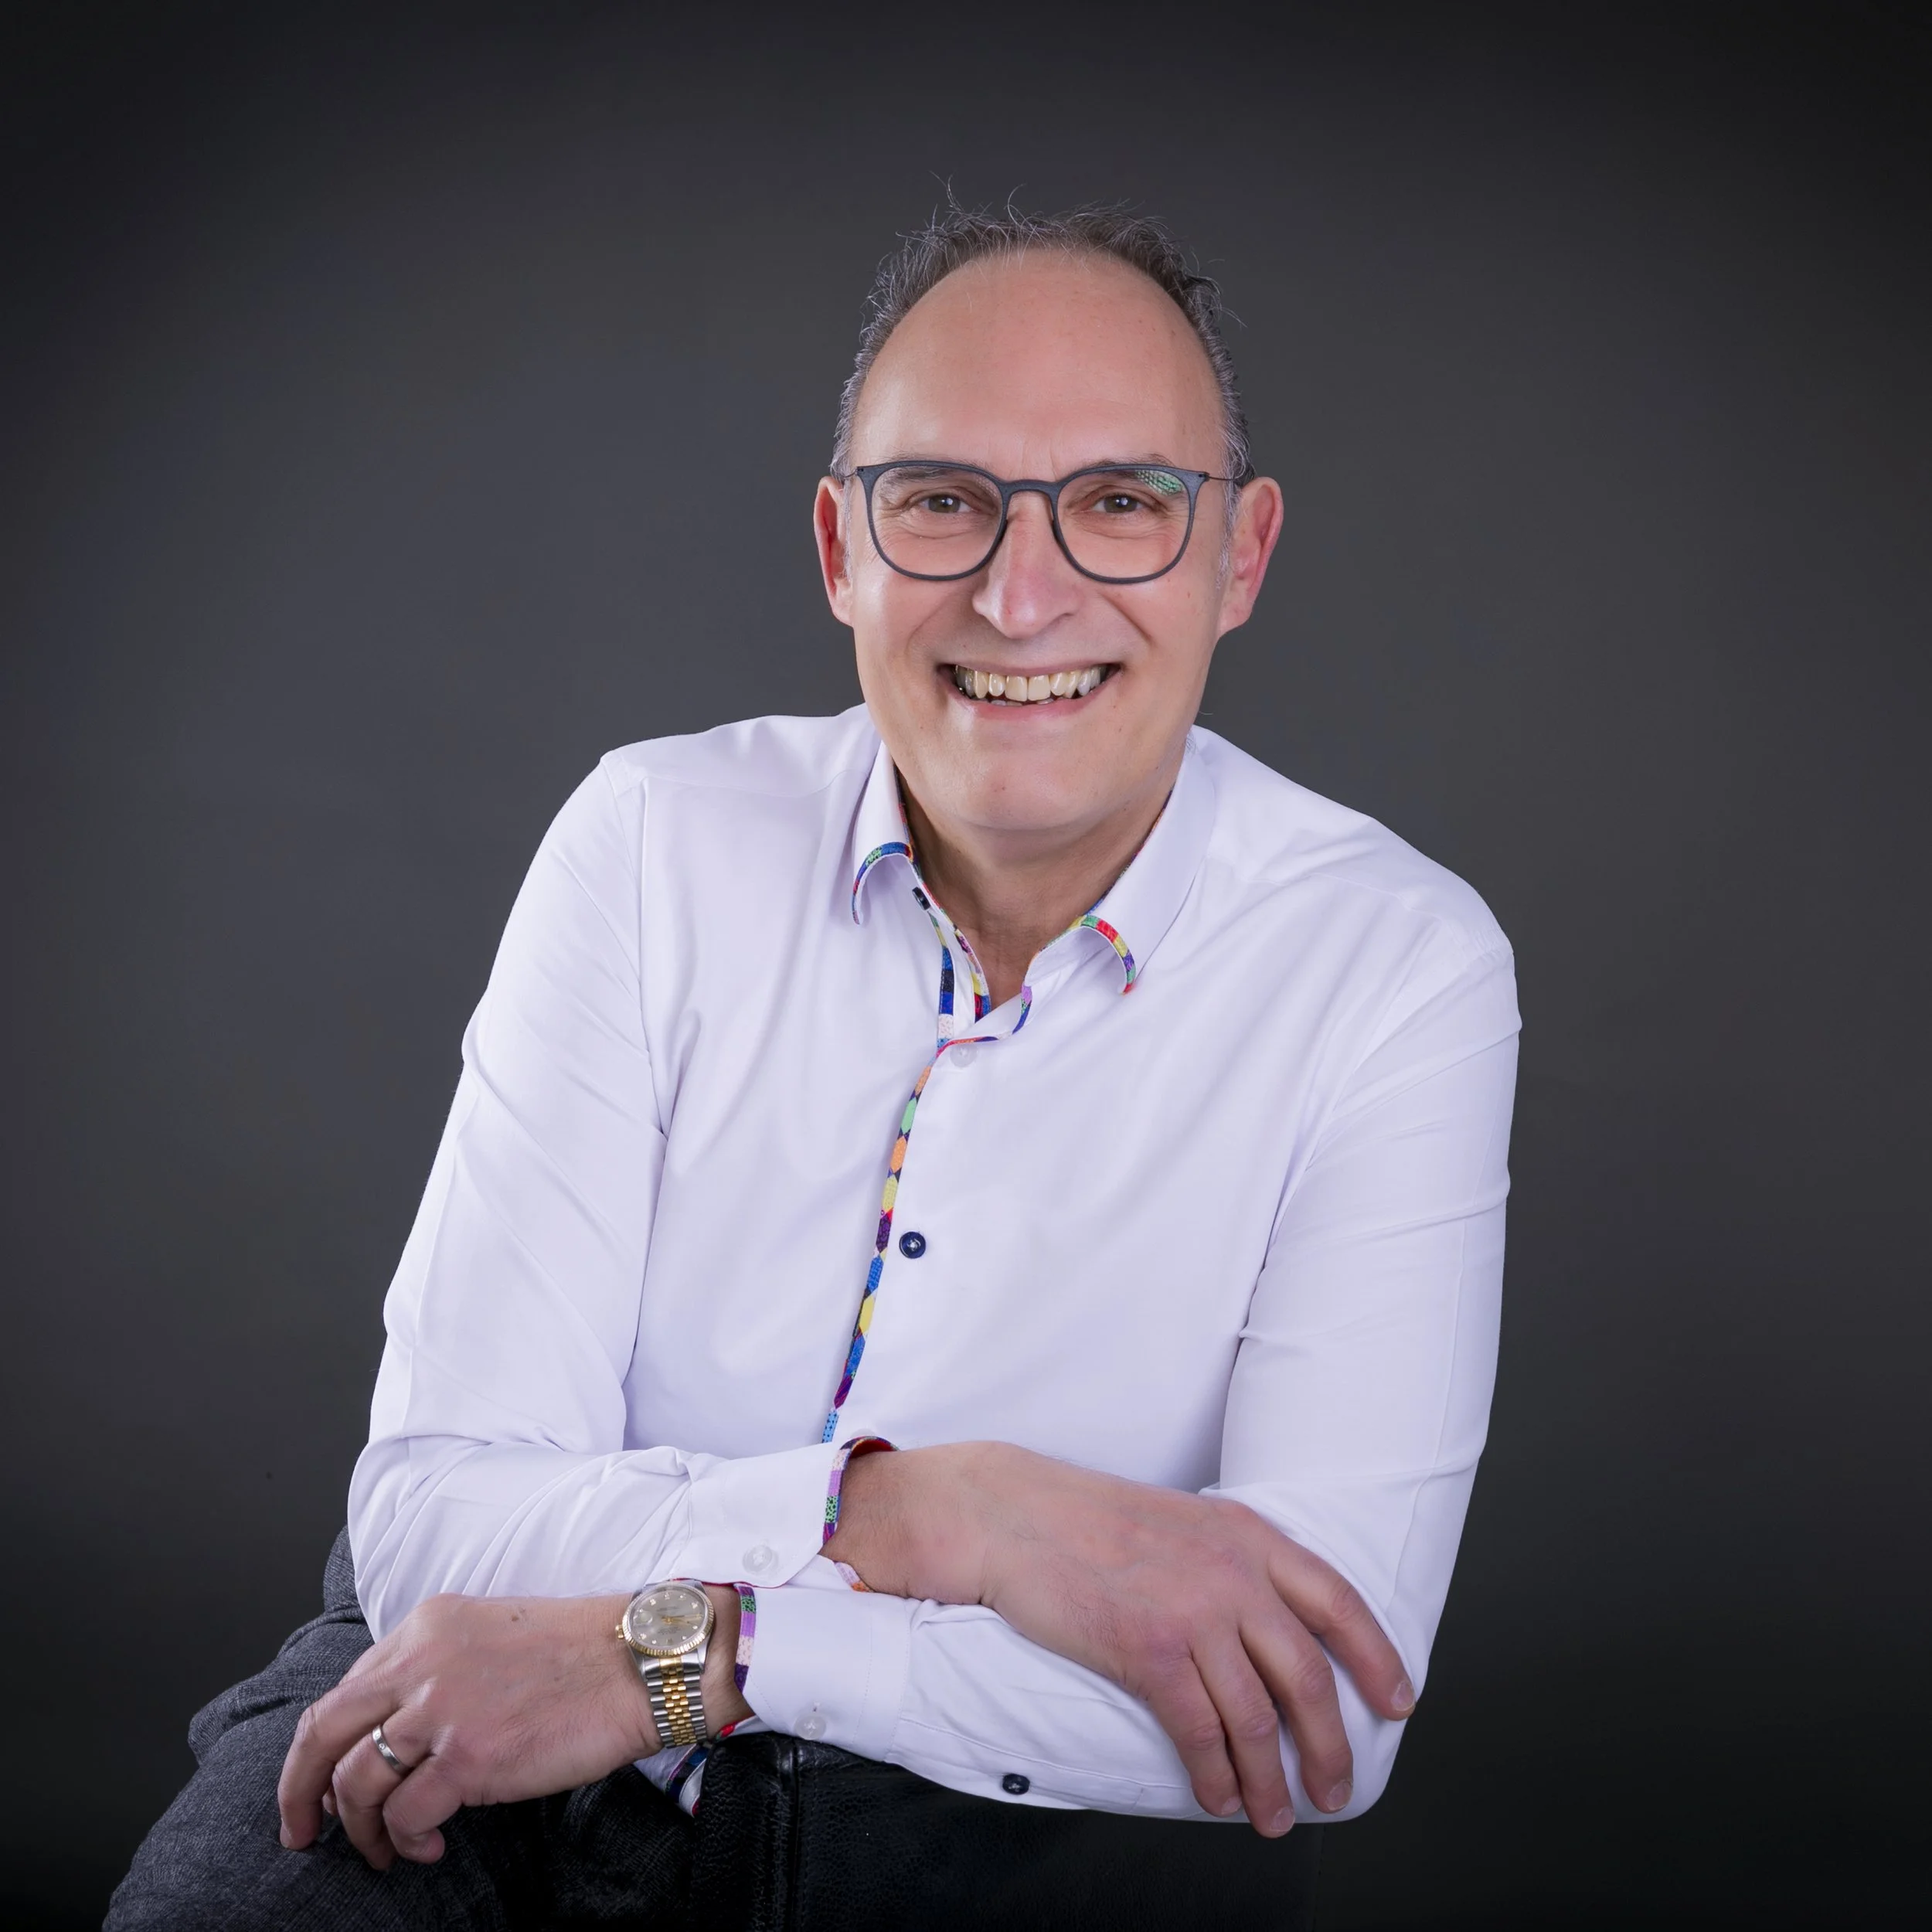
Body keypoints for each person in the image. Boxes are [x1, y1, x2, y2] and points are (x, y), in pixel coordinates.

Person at [109, 203, 1519, 1931]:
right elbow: (433, 1525)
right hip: (475, 1725)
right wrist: (942, 1517)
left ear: (1239, 557)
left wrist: (711, 1653)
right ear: (839, 549)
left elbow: (1317, 1712)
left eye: (1120, 504)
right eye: (943, 499)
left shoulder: (1392, 965)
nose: (1020, 592)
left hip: (977, 1821)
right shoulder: (645, 839)